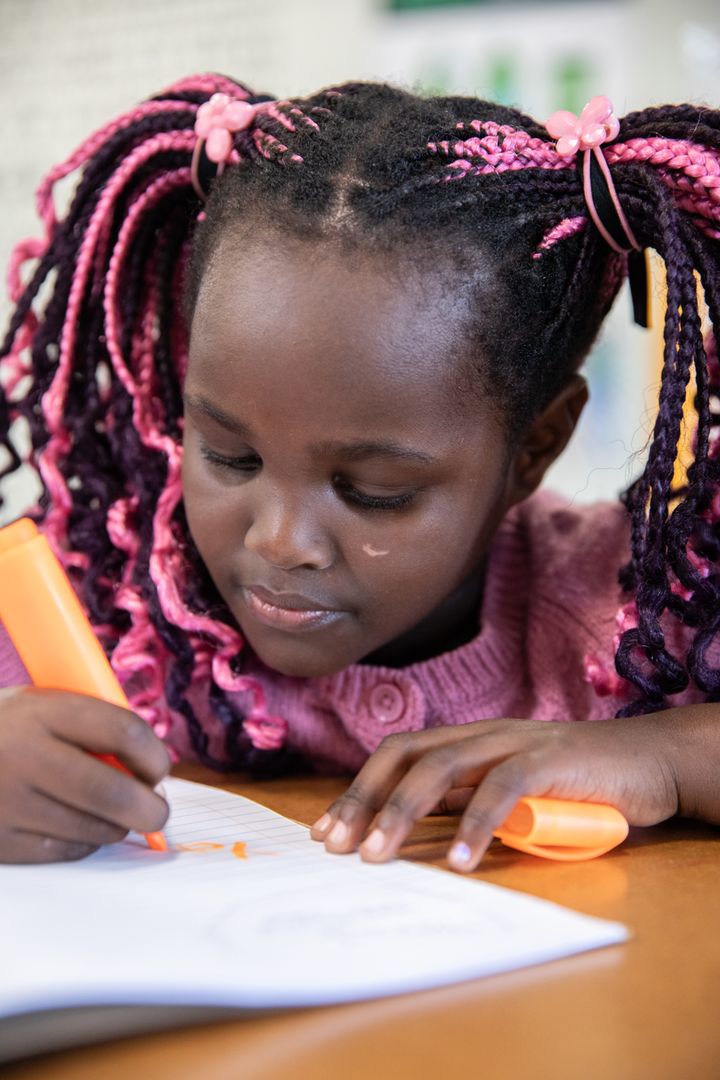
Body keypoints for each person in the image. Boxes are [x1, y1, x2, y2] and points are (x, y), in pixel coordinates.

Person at [0, 76, 718, 867]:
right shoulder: (119, 603)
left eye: (374, 492)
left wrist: (665, 757)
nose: (280, 542)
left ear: (535, 448)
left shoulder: (638, 622)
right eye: (229, 455)